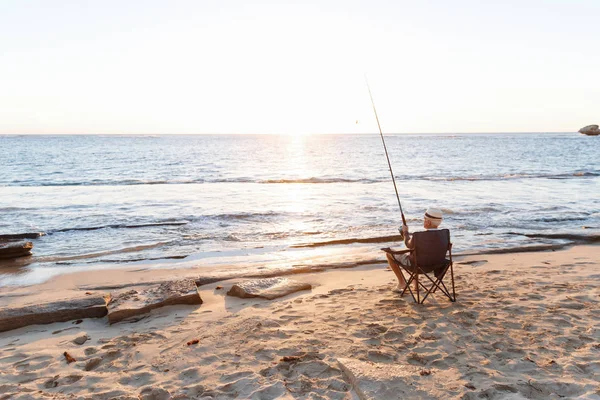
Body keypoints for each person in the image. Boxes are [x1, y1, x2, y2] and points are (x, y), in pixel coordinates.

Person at [382, 207, 444, 293]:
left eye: (424, 219)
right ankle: (416, 285)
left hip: (417, 266)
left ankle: (402, 283)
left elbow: (408, 244)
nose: (424, 220)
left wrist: (405, 232)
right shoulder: (444, 236)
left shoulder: (418, 236)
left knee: (389, 253)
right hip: (436, 265)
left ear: (428, 222)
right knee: (419, 254)